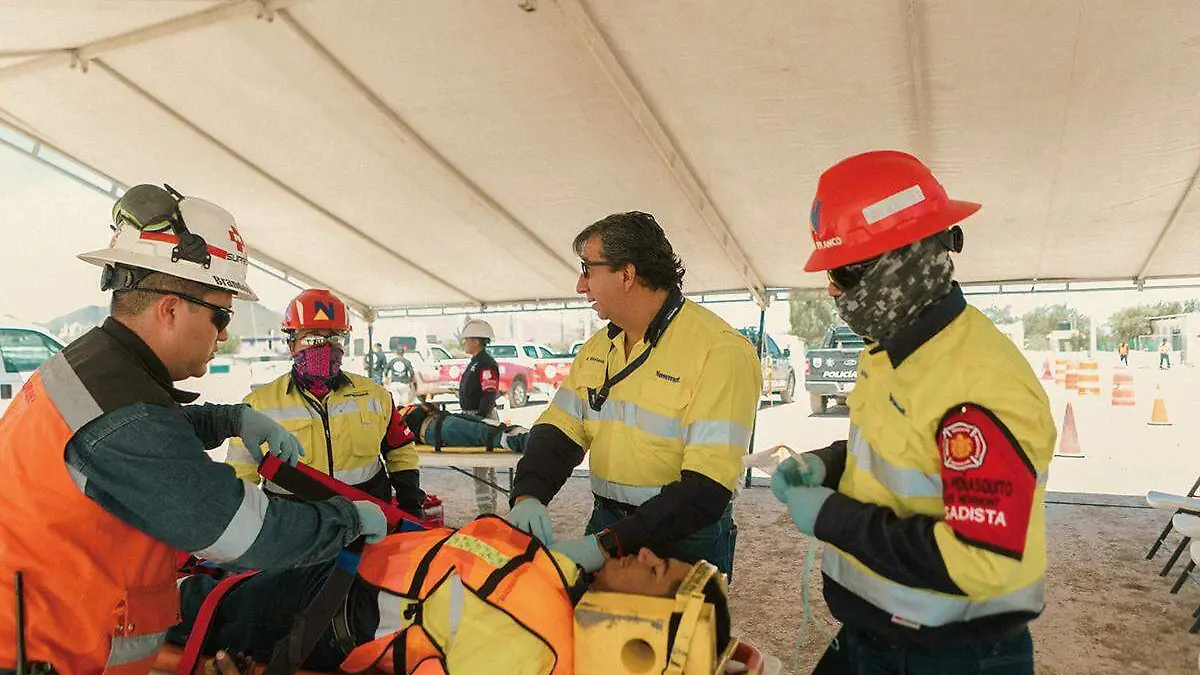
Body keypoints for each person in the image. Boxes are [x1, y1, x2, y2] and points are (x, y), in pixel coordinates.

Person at [0, 184, 386, 675]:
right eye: (220, 313)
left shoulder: (95, 370)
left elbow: (149, 427)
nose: (224, 333)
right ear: (170, 310)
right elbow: (244, 533)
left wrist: (229, 420)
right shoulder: (122, 414)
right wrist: (348, 521)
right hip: (55, 656)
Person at [774, 151, 1054, 674]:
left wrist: (833, 518)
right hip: (875, 638)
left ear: (904, 261)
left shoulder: (980, 385)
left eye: (843, 272)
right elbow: (900, 448)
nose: (832, 290)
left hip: (947, 656)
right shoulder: (890, 351)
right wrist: (829, 464)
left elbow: (982, 561)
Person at [505, 211, 760, 577]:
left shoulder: (720, 352)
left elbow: (706, 488)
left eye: (588, 270)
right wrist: (529, 495)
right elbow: (561, 428)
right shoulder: (598, 347)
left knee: (667, 637)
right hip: (607, 523)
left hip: (683, 538)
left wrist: (606, 546)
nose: (580, 285)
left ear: (626, 274)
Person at [168, 517, 730, 674]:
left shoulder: (530, 653)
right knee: (204, 596)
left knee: (185, 615)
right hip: (347, 575)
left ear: (643, 630)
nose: (650, 554)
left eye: (659, 574)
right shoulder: (566, 600)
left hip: (329, 614)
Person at [225, 289, 425, 515]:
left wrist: (411, 505)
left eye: (335, 337)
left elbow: (400, 450)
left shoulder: (376, 395)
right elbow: (240, 474)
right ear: (291, 344)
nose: (324, 346)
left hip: (370, 524)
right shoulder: (259, 404)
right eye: (312, 338)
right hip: (294, 528)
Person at [457, 318, 503, 514]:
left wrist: (479, 419)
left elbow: (489, 393)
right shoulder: (478, 362)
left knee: (481, 468)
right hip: (478, 416)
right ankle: (489, 509)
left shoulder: (485, 363)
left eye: (467, 339)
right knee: (486, 467)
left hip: (481, 417)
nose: (465, 343)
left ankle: (486, 512)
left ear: (476, 340)